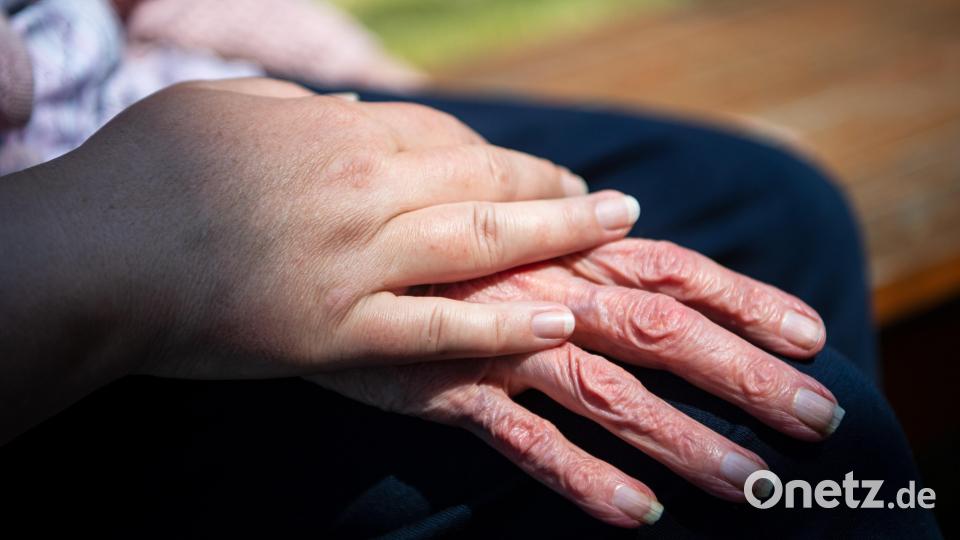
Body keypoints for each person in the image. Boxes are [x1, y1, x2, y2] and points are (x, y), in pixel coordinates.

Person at [0, 1, 941, 538]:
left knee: (768, 209)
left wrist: (383, 101)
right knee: (792, 435)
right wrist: (128, 245)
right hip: (64, 280)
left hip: (161, 123)